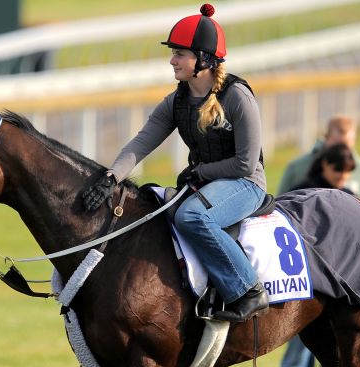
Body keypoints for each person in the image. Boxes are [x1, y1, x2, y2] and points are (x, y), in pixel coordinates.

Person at [81, 4, 269, 323]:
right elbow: (142, 142)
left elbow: (245, 163)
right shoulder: (176, 101)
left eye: (180, 54)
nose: (172, 60)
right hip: (207, 183)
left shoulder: (238, 97)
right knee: (151, 207)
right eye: (173, 53)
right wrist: (111, 177)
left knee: (192, 216)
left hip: (246, 185)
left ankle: (248, 290)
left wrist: (200, 172)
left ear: (204, 59)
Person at [273, 115, 360, 367]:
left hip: (345, 270)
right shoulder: (300, 170)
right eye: (338, 140)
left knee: (340, 346)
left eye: (348, 142)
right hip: (304, 270)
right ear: (326, 139)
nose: (343, 176)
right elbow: (277, 208)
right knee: (296, 347)